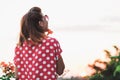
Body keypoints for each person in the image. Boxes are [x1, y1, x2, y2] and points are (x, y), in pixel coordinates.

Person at [13, 6, 65, 80]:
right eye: (45, 18)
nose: (47, 21)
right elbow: (60, 70)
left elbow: (17, 75)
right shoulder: (51, 42)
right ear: (41, 23)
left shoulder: (19, 47)